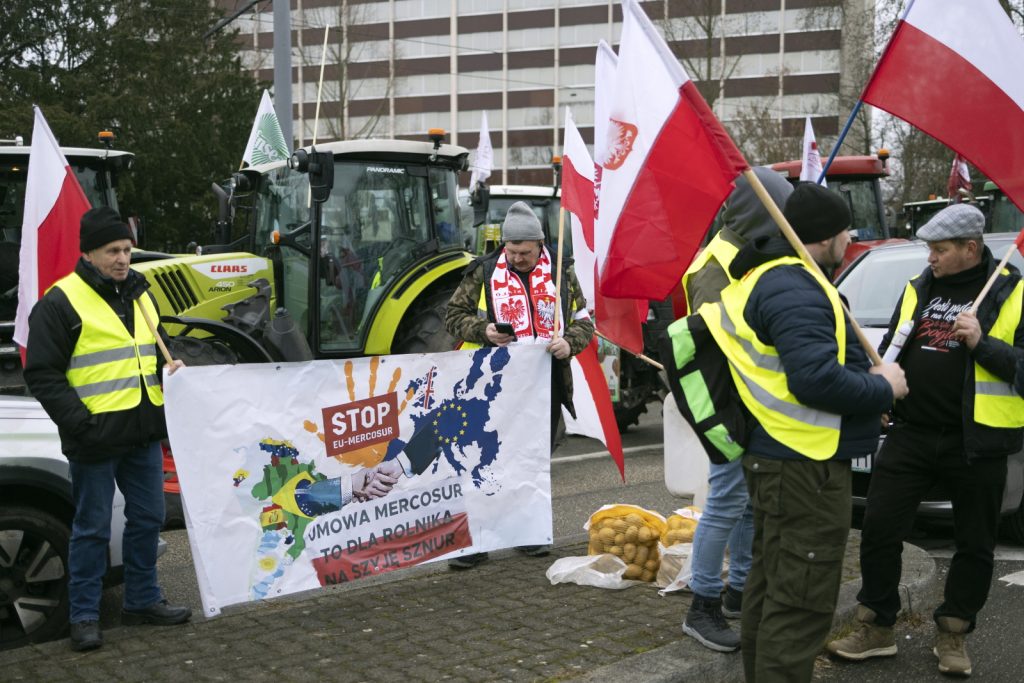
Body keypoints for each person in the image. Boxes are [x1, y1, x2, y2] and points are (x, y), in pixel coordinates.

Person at [699, 182, 907, 682]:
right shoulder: (794, 286)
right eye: (845, 231)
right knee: (800, 605)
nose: (849, 239)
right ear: (826, 236)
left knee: (772, 590)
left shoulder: (766, 276)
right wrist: (882, 388)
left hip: (780, 460)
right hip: (805, 468)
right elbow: (814, 379)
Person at [827, 204, 1024, 677]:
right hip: (911, 433)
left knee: (975, 543)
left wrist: (982, 344)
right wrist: (879, 386)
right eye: (929, 249)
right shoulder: (918, 287)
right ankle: (877, 626)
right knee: (879, 529)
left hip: (976, 442)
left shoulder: (1013, 292)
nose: (930, 258)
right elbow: (894, 346)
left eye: (940, 249)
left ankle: (954, 632)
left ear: (970, 248)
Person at [23, 207, 192, 652]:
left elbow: (151, 352)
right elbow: (42, 374)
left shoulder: (141, 294)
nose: (122, 258)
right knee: (92, 529)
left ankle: (142, 600)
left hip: (141, 433)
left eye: (127, 250)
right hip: (94, 438)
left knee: (149, 518)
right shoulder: (60, 302)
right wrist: (81, 424)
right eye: (112, 251)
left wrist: (171, 367)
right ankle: (83, 616)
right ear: (89, 253)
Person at [444, 200, 594, 569]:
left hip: (545, 384)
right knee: (484, 460)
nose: (516, 259)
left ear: (540, 245)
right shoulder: (484, 271)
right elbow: (453, 316)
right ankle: (476, 541)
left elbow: (584, 321)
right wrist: (484, 331)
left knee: (532, 460)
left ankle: (527, 532)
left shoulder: (561, 271)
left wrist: (569, 342)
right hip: (492, 386)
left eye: (524, 253)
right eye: (511, 252)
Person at [679, 167, 793, 653]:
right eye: (779, 213)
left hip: (749, 397)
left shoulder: (746, 253)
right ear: (757, 213)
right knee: (727, 498)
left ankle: (739, 591)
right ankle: (702, 605)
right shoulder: (716, 264)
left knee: (745, 497)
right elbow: (723, 342)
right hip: (728, 399)